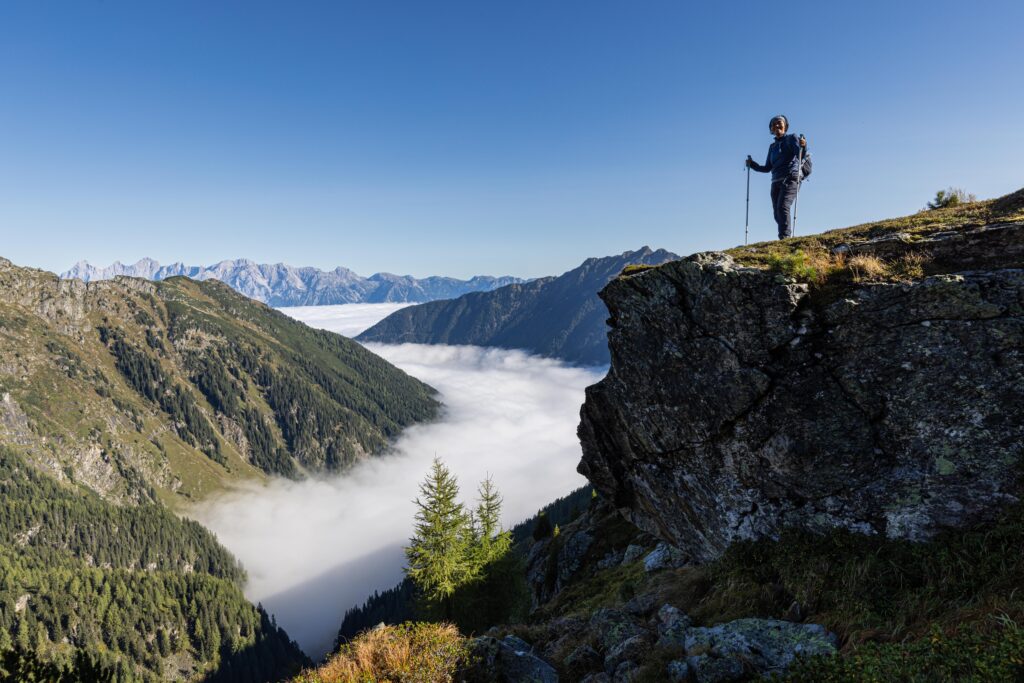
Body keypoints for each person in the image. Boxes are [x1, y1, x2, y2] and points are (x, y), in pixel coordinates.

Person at [746, 115, 808, 239]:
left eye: (779, 123)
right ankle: (785, 235)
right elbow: (767, 168)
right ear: (771, 129)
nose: (777, 126)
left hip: (791, 178)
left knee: (783, 207)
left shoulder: (791, 138)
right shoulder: (772, 147)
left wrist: (803, 146)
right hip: (775, 182)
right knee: (777, 213)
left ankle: (785, 237)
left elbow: (801, 155)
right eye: (773, 125)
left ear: (785, 126)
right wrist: (752, 165)